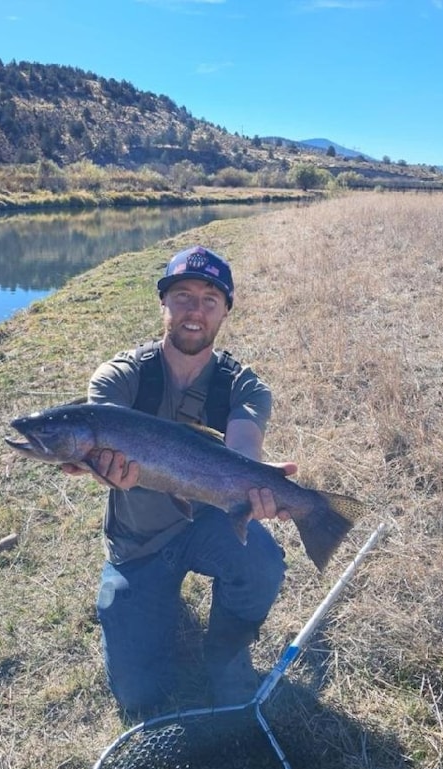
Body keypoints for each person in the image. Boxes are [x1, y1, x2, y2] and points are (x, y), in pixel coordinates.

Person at [63, 245, 297, 716]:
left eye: (210, 300)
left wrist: (258, 489)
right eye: (183, 296)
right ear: (163, 304)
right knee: (139, 694)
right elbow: (93, 439)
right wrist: (105, 472)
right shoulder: (120, 378)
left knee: (262, 561)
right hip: (139, 543)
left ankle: (225, 653)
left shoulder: (245, 386)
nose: (195, 311)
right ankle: (152, 606)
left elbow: (244, 450)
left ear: (226, 311)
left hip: (210, 526)